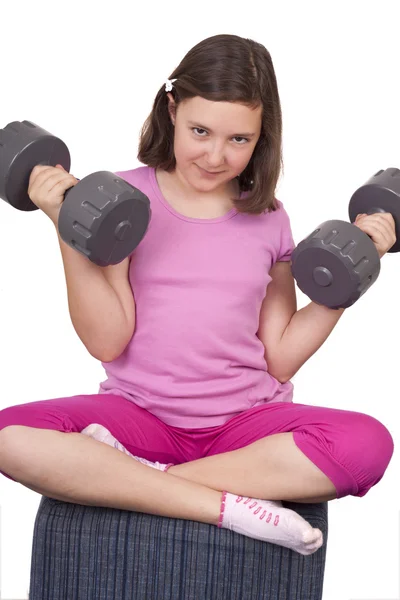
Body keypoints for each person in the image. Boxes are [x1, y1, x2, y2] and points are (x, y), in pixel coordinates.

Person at [0, 34, 395, 557]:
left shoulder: (270, 217)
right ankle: (228, 507)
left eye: (238, 139)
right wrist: (65, 227)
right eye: (200, 130)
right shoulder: (122, 200)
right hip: (139, 417)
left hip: (245, 426)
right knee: (9, 434)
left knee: (368, 444)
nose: (214, 156)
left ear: (262, 137)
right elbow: (107, 341)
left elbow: (278, 358)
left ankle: (140, 482)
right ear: (171, 109)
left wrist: (349, 274)